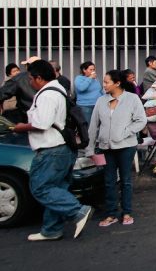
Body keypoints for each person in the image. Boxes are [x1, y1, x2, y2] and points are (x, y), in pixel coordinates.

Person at [11, 59, 92, 241]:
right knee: (56, 188)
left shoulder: (47, 95)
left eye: (31, 78)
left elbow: (42, 123)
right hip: (62, 148)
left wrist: (20, 127)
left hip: (51, 148)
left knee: (41, 187)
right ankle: (51, 229)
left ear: (39, 78)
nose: (30, 82)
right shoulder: (59, 89)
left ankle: (77, 211)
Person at [85, 69, 147, 227]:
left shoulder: (132, 99)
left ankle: (127, 212)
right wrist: (90, 148)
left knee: (126, 180)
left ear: (117, 83)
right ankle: (111, 213)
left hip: (126, 145)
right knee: (109, 181)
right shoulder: (100, 101)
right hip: (106, 146)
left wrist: (126, 132)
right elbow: (93, 126)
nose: (104, 85)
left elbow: (141, 120)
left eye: (107, 82)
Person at [0, 56, 41, 123]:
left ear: (28, 66)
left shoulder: (19, 79)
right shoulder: (50, 77)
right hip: (46, 118)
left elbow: (2, 94)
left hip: (26, 118)